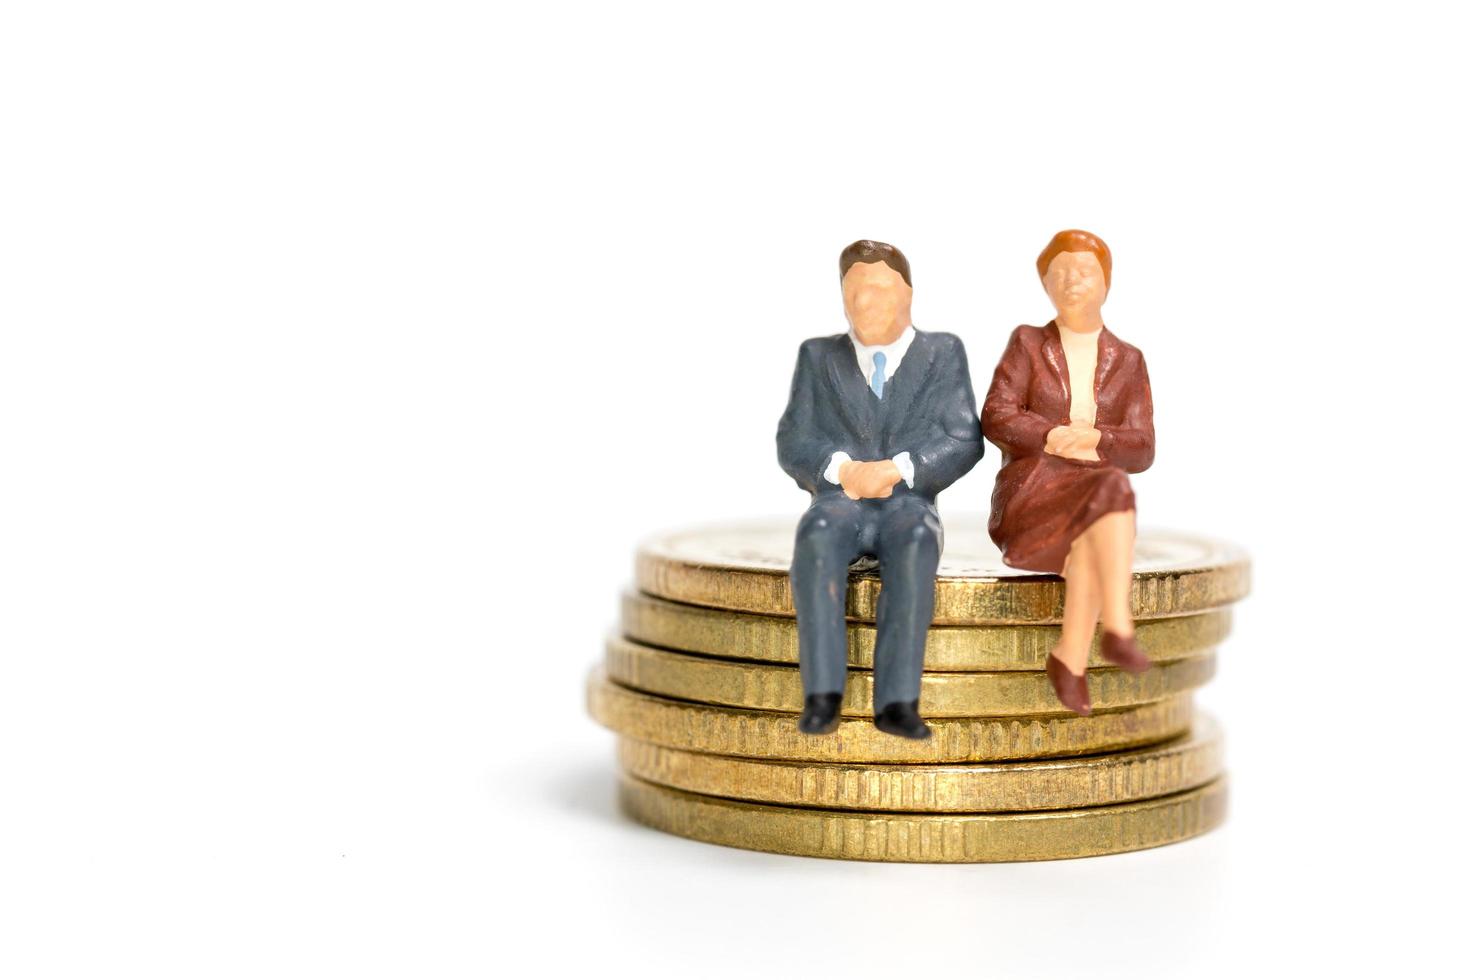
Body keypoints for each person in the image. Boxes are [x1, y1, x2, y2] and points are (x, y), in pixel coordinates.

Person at [777, 240, 983, 739]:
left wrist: (900, 469)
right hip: (841, 501)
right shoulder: (818, 355)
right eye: (854, 293)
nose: (865, 304)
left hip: (906, 502)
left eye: (878, 290)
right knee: (818, 532)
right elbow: (793, 438)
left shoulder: (943, 352)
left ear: (908, 294)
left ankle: (897, 702)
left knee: (914, 542)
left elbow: (964, 438)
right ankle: (822, 694)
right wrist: (840, 468)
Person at [981, 229, 1155, 715]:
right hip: (1035, 490)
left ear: (1107, 282)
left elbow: (1142, 448)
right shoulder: (1028, 343)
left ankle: (1069, 660)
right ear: (1045, 285)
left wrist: (1100, 439)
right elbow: (997, 414)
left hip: (1095, 493)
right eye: (1059, 273)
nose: (1072, 280)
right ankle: (1119, 629)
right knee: (1113, 485)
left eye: (1084, 271)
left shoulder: (1129, 359)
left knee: (1090, 544)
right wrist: (1053, 436)